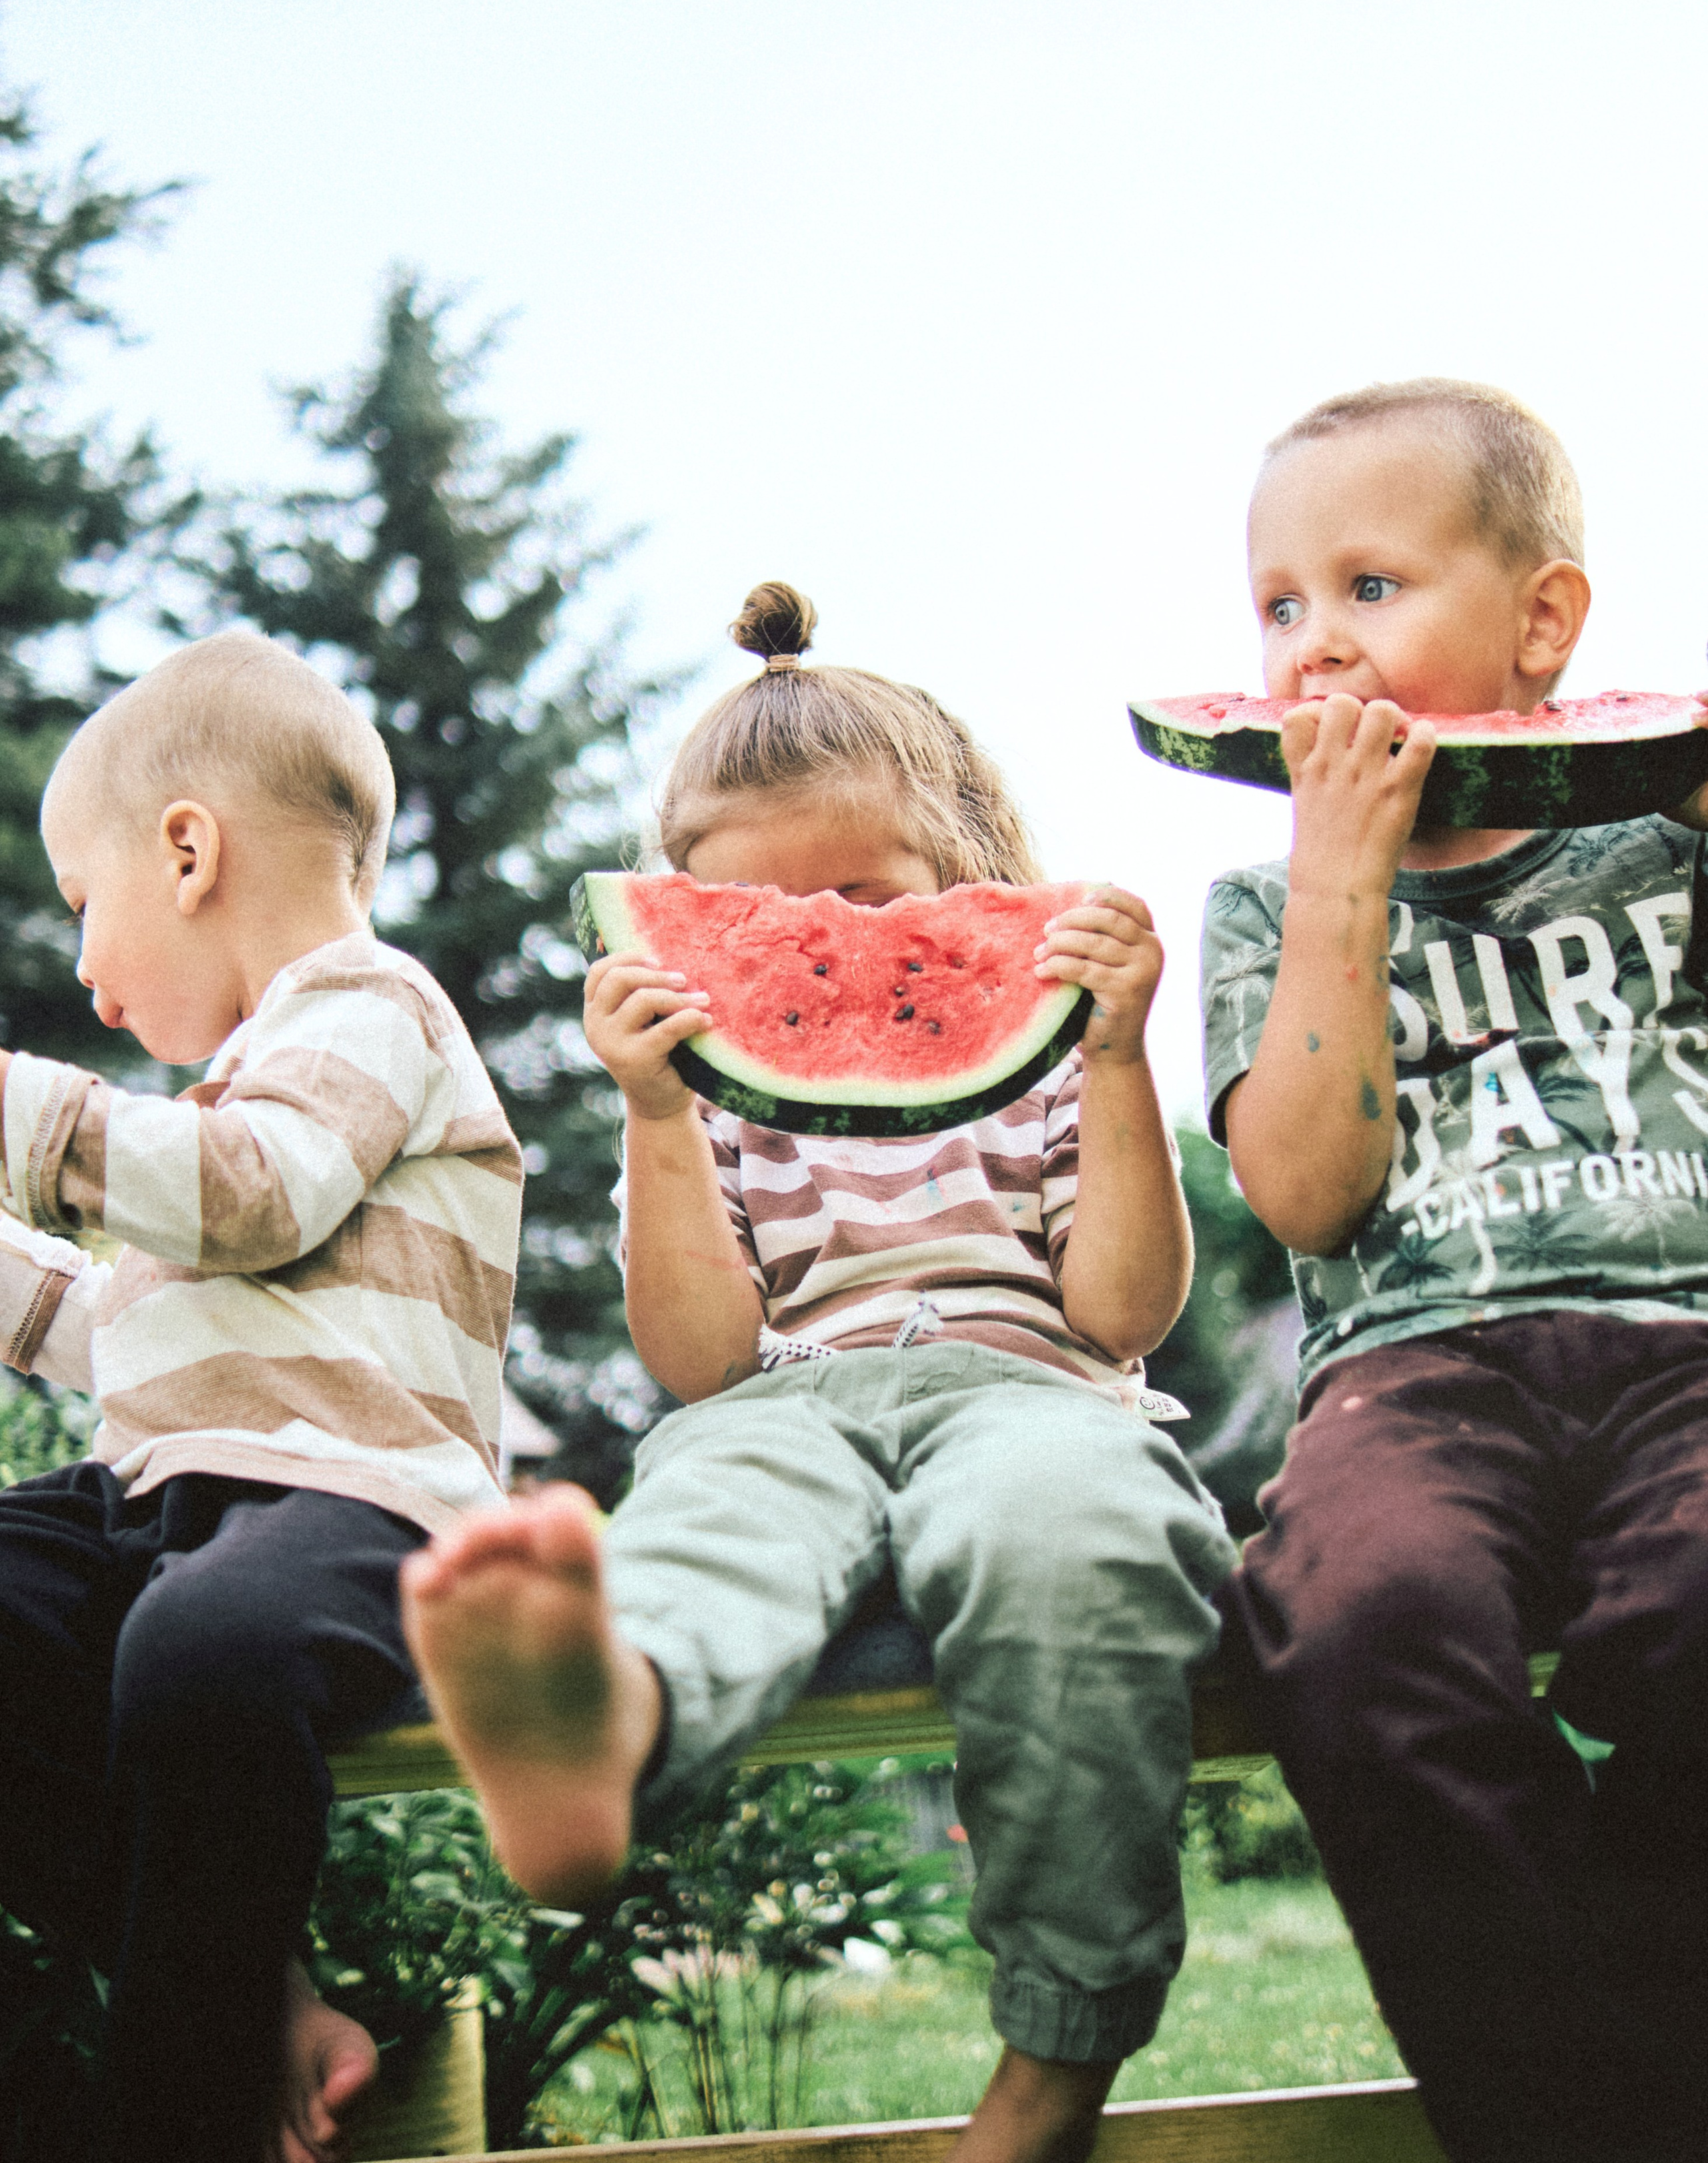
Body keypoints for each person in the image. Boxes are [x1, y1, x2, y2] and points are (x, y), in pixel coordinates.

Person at [404, 582, 1234, 2163]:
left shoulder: (1052, 1049)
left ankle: (1059, 2039)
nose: (825, 950)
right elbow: (701, 1361)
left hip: (1030, 1388)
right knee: (707, 1524)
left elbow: (1120, 1312)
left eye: (863, 895)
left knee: (1067, 1537)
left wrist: (1117, 1054)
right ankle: (604, 1725)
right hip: (783, 1398)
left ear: (968, 873)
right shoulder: (704, 1101)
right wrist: (656, 1117)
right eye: (768, 921)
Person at [1202, 377, 1708, 2163]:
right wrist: (1337, 892)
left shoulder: (1671, 841)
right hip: (1410, 1373)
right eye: (1277, 606)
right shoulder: (1263, 909)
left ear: (1543, 623)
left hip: (1688, 1343)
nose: (1312, 649)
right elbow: (1311, 1197)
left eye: (1370, 588)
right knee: (1356, 1627)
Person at [0, 629, 522, 2163]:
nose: (82, 960)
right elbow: (129, 1330)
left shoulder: (376, 1009)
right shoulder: (227, 1096)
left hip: (357, 1497)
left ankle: (188, 2118)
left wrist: (24, 1110)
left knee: (201, 1650)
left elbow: (255, 1194)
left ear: (188, 848)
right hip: (168, 1493)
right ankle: (255, 1989)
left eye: (85, 909)